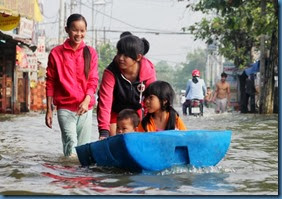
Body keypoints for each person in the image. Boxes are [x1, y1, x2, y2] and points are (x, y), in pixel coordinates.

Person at [45, 14, 99, 157]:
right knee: (71, 143)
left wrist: (87, 100)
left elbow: (93, 80)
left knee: (83, 149)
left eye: (82, 30)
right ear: (67, 30)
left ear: (86, 31)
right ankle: (68, 178)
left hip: (85, 109)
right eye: (75, 30)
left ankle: (78, 178)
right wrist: (49, 110)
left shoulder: (91, 53)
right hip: (65, 108)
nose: (79, 34)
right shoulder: (56, 53)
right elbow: (50, 82)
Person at [97, 35, 156, 139]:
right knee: (114, 140)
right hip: (114, 112)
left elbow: (152, 102)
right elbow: (105, 103)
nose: (120, 58)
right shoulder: (110, 72)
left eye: (126, 55)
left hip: (136, 112)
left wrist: (150, 128)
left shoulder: (148, 72)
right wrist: (103, 132)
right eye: (119, 53)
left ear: (138, 57)